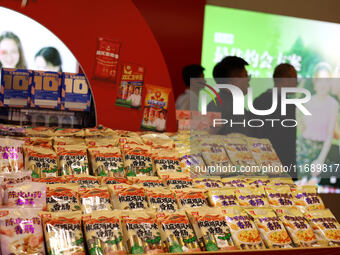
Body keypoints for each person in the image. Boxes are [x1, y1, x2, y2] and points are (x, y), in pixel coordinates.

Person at [297, 62, 338, 182]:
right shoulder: (307, 101)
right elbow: (302, 129)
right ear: (315, 83)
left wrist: (320, 160)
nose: (323, 84)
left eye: (326, 80)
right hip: (303, 147)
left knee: (313, 183)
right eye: (320, 80)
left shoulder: (333, 104)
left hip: (321, 150)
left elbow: (330, 135)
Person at [252, 63, 298, 169]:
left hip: (285, 165)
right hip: (267, 164)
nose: (296, 82)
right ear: (284, 79)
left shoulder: (290, 104)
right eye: (294, 78)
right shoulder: (262, 102)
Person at [207, 56, 250, 135]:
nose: (248, 80)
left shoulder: (223, 104)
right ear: (234, 78)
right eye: (246, 75)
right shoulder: (221, 106)